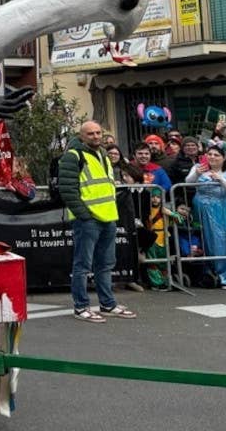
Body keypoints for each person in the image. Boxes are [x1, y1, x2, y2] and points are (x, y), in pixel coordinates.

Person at [58, 120, 137, 322]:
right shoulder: (73, 156)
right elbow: (67, 190)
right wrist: (84, 214)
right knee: (83, 265)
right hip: (89, 219)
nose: (95, 136)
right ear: (81, 136)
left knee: (105, 263)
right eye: (90, 133)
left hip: (107, 217)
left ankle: (107, 304)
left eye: (98, 132)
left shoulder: (103, 154)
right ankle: (81, 307)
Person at [184, 142, 226, 290]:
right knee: (204, 242)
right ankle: (209, 273)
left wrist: (221, 180)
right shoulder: (198, 168)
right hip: (201, 211)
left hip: (225, 212)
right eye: (210, 154)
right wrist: (197, 173)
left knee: (225, 243)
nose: (212, 157)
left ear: (224, 158)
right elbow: (188, 182)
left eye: (216, 155)